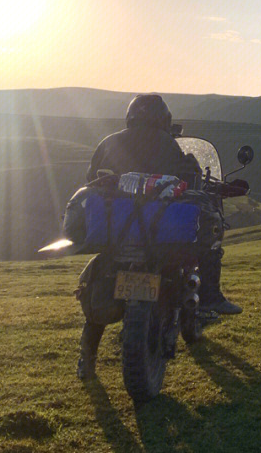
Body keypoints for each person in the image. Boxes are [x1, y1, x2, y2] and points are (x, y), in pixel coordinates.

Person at [76, 94, 241, 379]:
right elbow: (187, 176)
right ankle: (211, 297)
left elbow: (91, 180)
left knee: (99, 290)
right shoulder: (166, 143)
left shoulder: (108, 142)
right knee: (209, 235)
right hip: (158, 234)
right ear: (162, 118)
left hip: (116, 236)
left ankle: (86, 361)